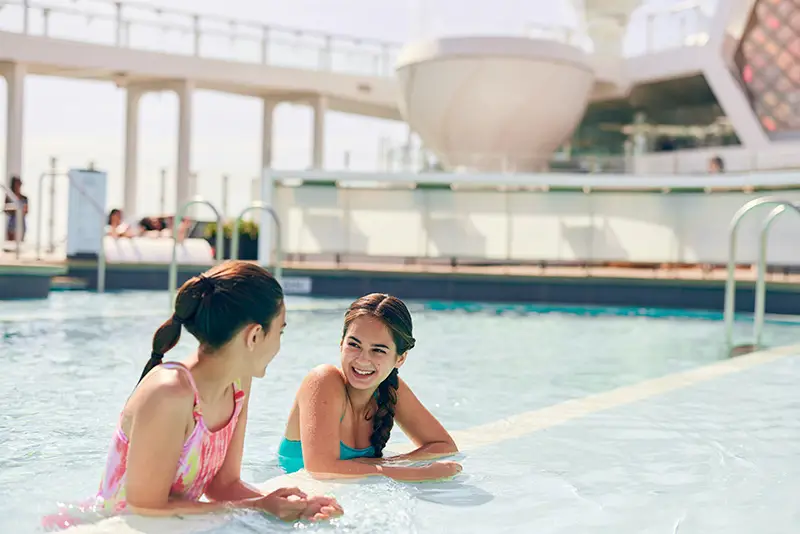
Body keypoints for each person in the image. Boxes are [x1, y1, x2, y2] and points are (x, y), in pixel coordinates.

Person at [95, 261, 342, 520]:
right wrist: (258, 507)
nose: (279, 345)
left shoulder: (238, 385)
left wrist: (296, 506)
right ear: (255, 336)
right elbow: (145, 507)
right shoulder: (169, 394)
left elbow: (223, 487)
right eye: (279, 332)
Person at [278, 293, 461, 482]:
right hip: (295, 494)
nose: (363, 360)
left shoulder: (390, 389)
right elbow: (320, 469)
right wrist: (417, 473)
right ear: (341, 344)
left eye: (378, 350)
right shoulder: (323, 380)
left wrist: (393, 462)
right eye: (354, 345)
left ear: (400, 358)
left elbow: (444, 446)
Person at [4, 175, 28, 242]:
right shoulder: (9, 197)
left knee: (20, 243)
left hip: (21, 224)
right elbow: (6, 210)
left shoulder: (24, 198)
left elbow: (26, 211)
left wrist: (17, 209)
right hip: (12, 224)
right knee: (11, 244)